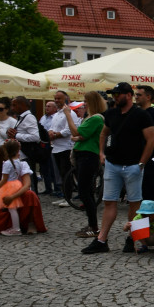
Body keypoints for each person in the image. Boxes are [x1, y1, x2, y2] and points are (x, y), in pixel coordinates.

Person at [83, 82, 154, 255]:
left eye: (118, 94)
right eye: (114, 94)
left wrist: (141, 163)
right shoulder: (111, 113)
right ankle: (101, 239)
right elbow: (104, 133)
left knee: (135, 204)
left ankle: (132, 239)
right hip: (113, 164)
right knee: (109, 201)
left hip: (133, 166)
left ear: (128, 95)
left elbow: (151, 140)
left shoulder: (141, 115)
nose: (115, 97)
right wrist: (101, 153)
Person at [65, 92, 106, 238]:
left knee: (85, 191)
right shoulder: (91, 118)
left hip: (88, 156)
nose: (84, 104)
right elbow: (81, 135)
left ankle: (94, 226)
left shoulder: (95, 118)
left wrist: (68, 115)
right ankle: (92, 224)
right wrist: (78, 136)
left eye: (86, 102)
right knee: (85, 191)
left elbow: (76, 133)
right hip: (85, 155)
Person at [0, 139, 45, 236]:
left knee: (30, 194)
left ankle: (29, 223)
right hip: (4, 204)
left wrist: (12, 197)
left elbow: (27, 185)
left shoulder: (21, 164)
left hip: (20, 198)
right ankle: (15, 226)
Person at [7, 96, 43, 195]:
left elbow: (35, 137)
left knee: (29, 180)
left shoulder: (29, 117)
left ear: (22, 105)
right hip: (21, 154)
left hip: (27, 155)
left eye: (14, 105)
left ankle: (33, 201)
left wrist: (16, 135)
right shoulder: (21, 117)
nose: (12, 108)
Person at [49, 91, 79, 205]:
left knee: (66, 173)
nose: (57, 100)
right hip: (56, 147)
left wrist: (55, 134)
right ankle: (65, 195)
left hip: (65, 147)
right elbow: (51, 127)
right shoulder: (56, 114)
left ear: (66, 99)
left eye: (59, 98)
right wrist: (51, 132)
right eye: (55, 98)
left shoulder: (70, 113)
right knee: (61, 174)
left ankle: (69, 197)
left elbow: (68, 130)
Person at [38, 100, 59, 197]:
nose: (46, 108)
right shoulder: (43, 117)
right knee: (44, 167)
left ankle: (57, 188)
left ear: (55, 108)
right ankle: (48, 188)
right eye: (46, 106)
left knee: (53, 168)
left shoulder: (56, 117)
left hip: (53, 144)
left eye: (49, 106)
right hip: (43, 145)